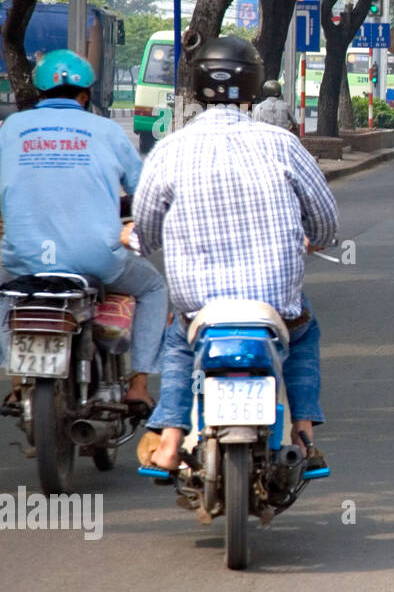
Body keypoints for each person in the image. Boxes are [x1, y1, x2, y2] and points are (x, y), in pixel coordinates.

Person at [133, 36, 339, 471]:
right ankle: (303, 434)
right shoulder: (282, 144)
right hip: (273, 305)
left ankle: (170, 440)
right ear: (253, 86)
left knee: (178, 341)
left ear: (196, 85)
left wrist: (134, 238)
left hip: (200, 307)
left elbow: (147, 232)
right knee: (304, 332)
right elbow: (325, 222)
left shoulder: (169, 149)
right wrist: (313, 237)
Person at [0, 49, 167, 410]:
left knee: (5, 294)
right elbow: (144, 190)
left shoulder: (11, 128)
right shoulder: (106, 130)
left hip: (24, 260)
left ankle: (15, 379)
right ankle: (138, 384)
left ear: (39, 93)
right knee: (154, 288)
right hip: (96, 261)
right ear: (85, 95)